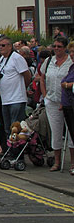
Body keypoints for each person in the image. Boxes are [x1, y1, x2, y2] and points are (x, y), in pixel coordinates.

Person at [40, 36, 73, 171]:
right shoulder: (49, 61)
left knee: (71, 132)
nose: (56, 49)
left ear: (65, 48)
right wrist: (45, 96)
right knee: (56, 131)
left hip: (69, 102)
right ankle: (57, 162)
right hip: (52, 101)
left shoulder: (71, 62)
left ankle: (72, 163)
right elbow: (41, 78)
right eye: (54, 46)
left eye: (59, 46)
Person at [0, 36, 31, 135]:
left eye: (3, 45)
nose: (0, 48)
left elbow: (27, 75)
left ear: (10, 46)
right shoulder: (2, 59)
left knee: (16, 128)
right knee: (7, 128)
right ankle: (10, 148)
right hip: (5, 99)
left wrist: (23, 88)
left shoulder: (17, 58)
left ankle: (18, 149)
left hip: (16, 99)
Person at [60, 42, 74, 175]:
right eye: (71, 52)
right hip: (67, 105)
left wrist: (68, 85)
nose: (72, 55)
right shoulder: (72, 67)